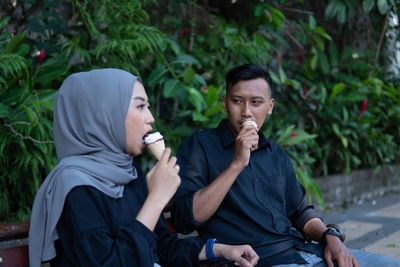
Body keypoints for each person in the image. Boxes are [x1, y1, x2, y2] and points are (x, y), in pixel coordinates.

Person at [171, 64, 400, 267]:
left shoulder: (275, 153)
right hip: (254, 261)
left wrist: (331, 237)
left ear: (270, 107)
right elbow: (186, 218)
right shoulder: (199, 146)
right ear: (224, 103)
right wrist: (236, 164)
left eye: (256, 102)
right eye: (237, 101)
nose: (247, 112)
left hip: (303, 253)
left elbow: (300, 212)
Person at [28, 68, 260, 267]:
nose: (150, 118)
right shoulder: (74, 185)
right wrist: (157, 199)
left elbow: (161, 248)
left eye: (148, 107)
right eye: (140, 107)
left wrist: (218, 250)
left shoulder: (130, 172)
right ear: (105, 115)